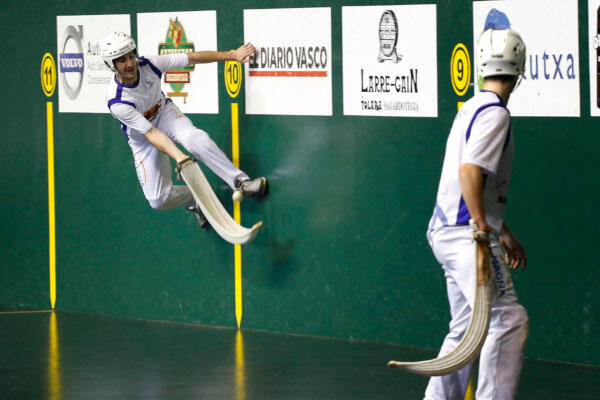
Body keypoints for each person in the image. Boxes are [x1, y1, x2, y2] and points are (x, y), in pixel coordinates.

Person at [425, 27, 529, 400]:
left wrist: (501, 230)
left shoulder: (471, 106)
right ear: (519, 68)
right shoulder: (496, 114)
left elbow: (472, 182)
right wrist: (482, 230)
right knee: (508, 320)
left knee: (469, 325)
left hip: (445, 231)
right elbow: (469, 172)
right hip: (463, 233)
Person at [98, 32, 267, 228]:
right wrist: (180, 158)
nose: (129, 64)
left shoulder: (150, 64)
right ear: (111, 65)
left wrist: (233, 55)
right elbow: (151, 134)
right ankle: (194, 198)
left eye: (130, 56)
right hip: (143, 139)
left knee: (195, 139)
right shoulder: (117, 101)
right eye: (121, 60)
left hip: (165, 114)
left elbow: (192, 57)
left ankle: (241, 183)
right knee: (158, 199)